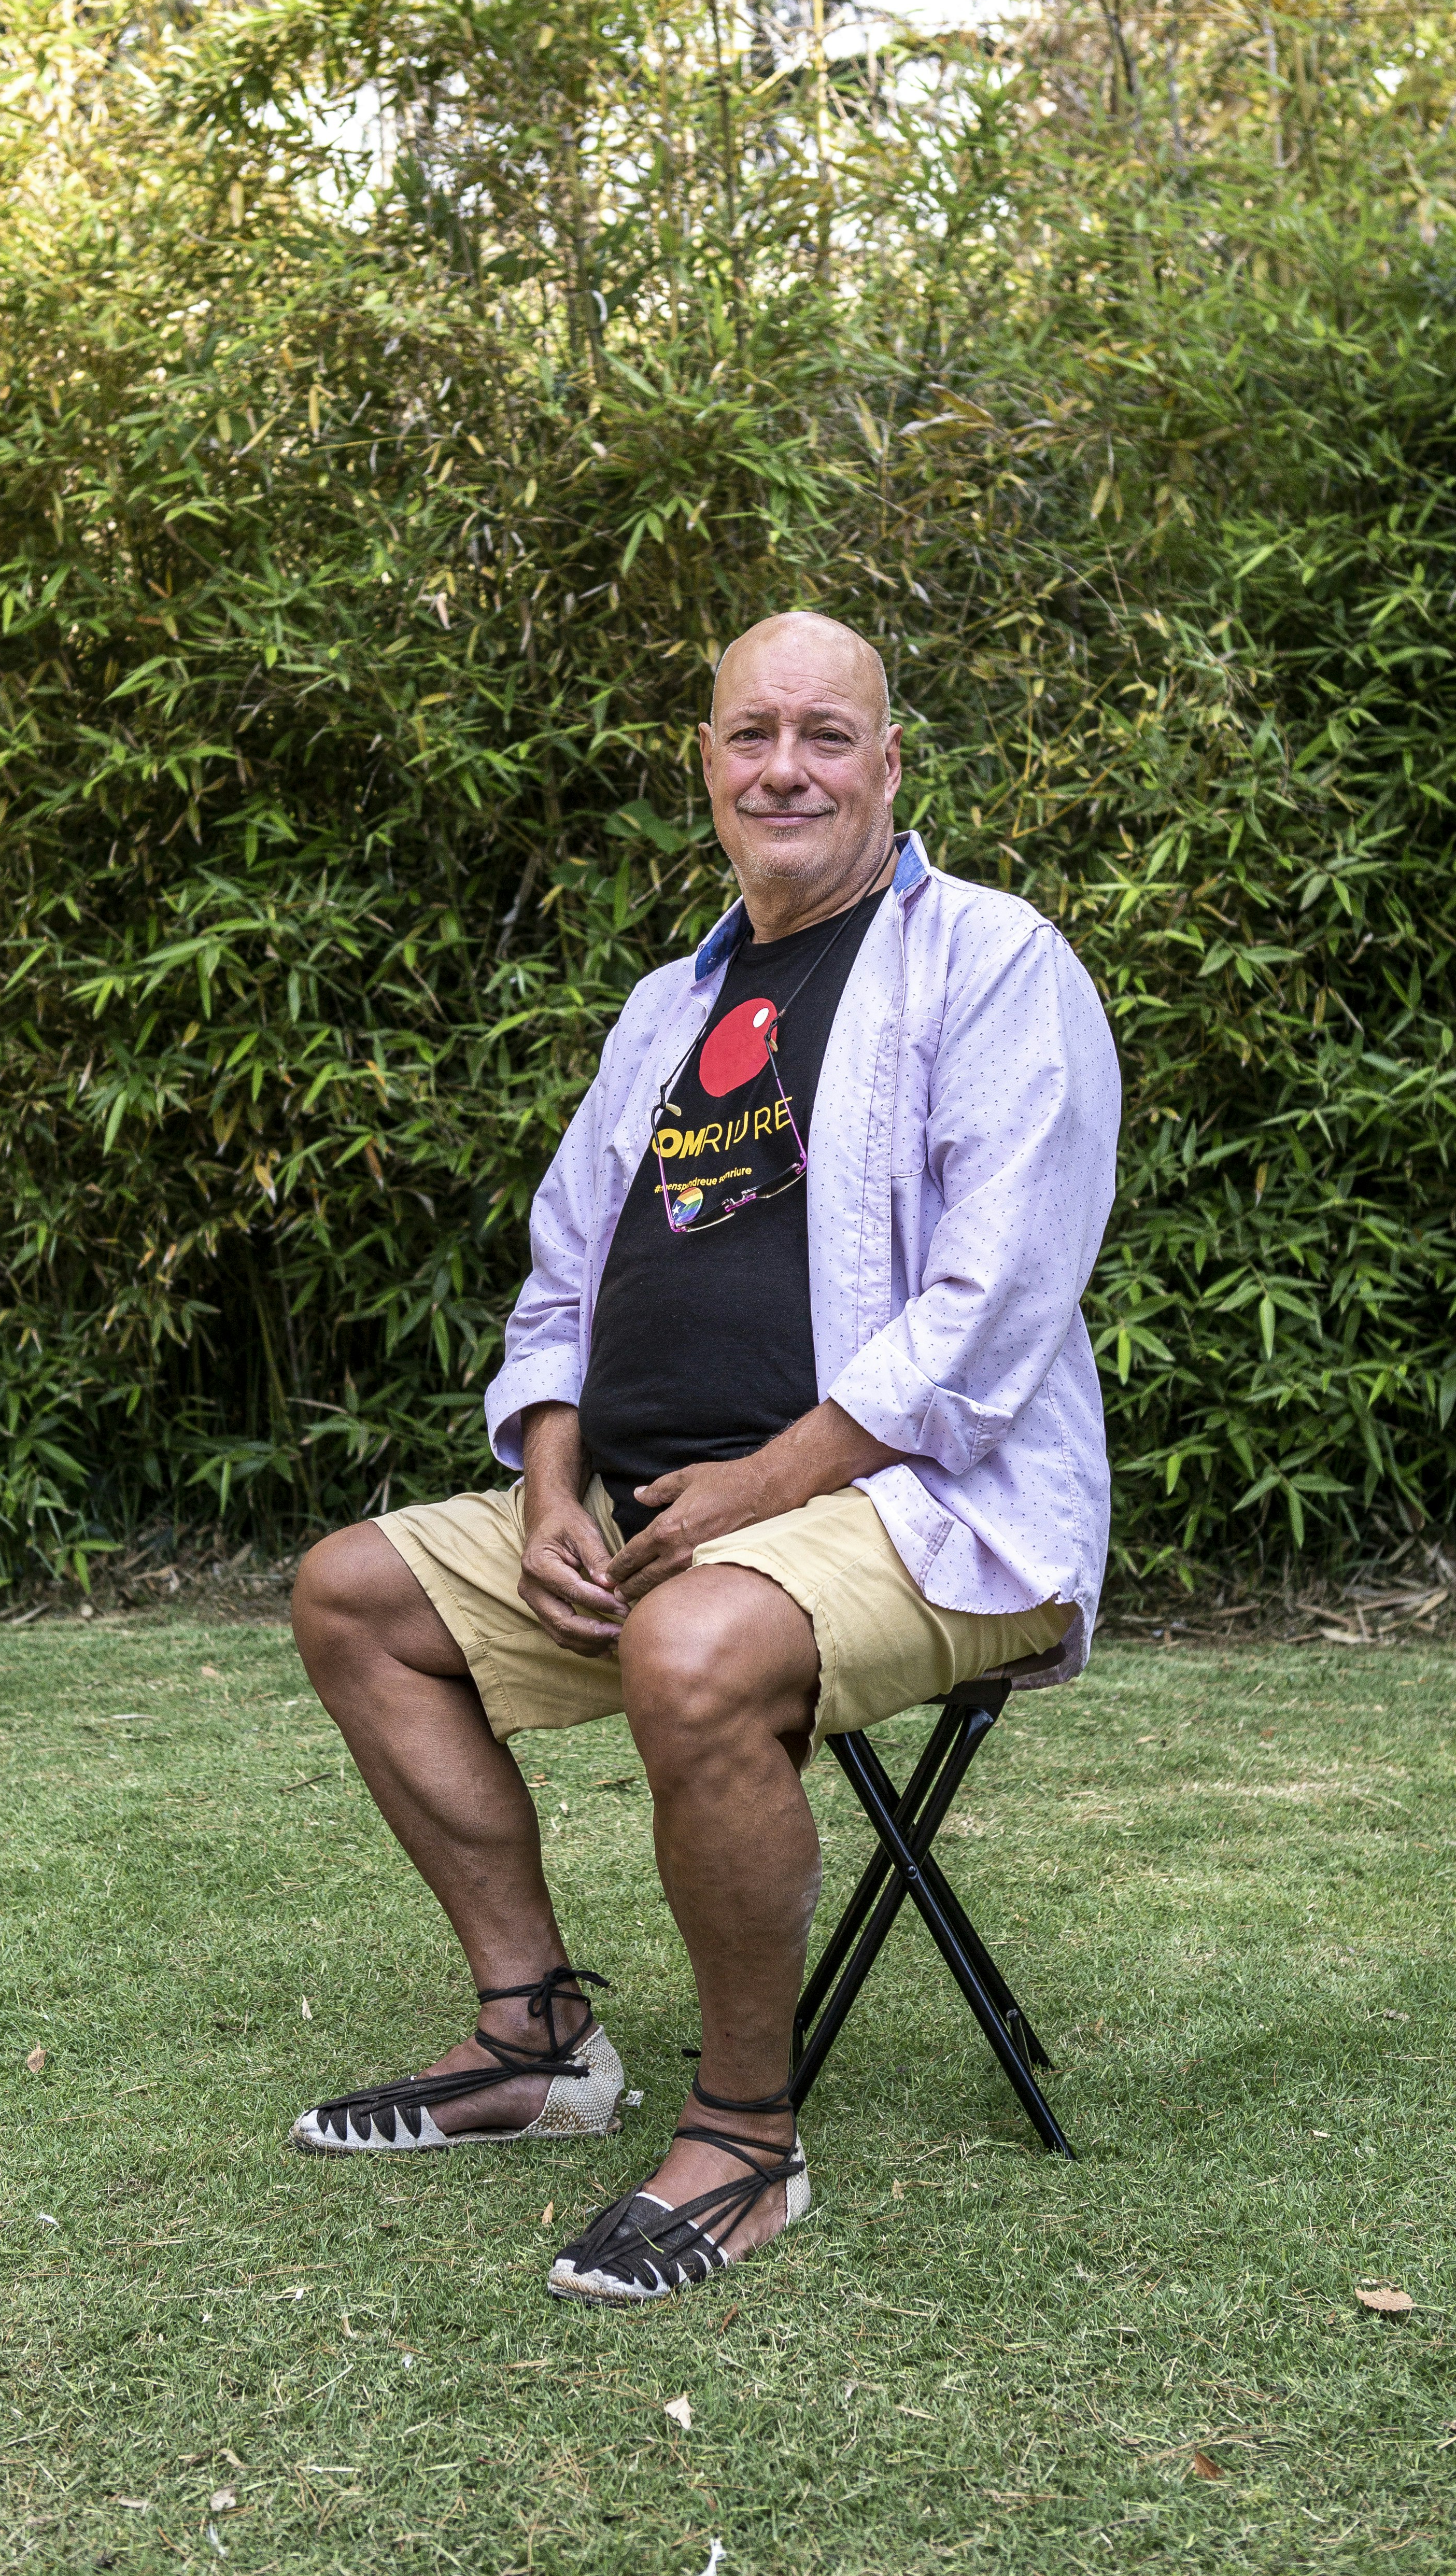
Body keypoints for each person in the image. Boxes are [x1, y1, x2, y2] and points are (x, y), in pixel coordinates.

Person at [289, 611, 1120, 2304]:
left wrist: (768, 1482)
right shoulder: (671, 1003)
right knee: (354, 1591)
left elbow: (996, 1296)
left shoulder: (991, 958)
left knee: (693, 1637)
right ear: (708, 764)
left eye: (828, 734)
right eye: (753, 733)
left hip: (918, 1508)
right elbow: (562, 1276)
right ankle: (534, 2038)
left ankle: (747, 2138)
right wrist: (540, 1493)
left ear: (889, 764)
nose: (786, 765)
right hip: (655, 1521)